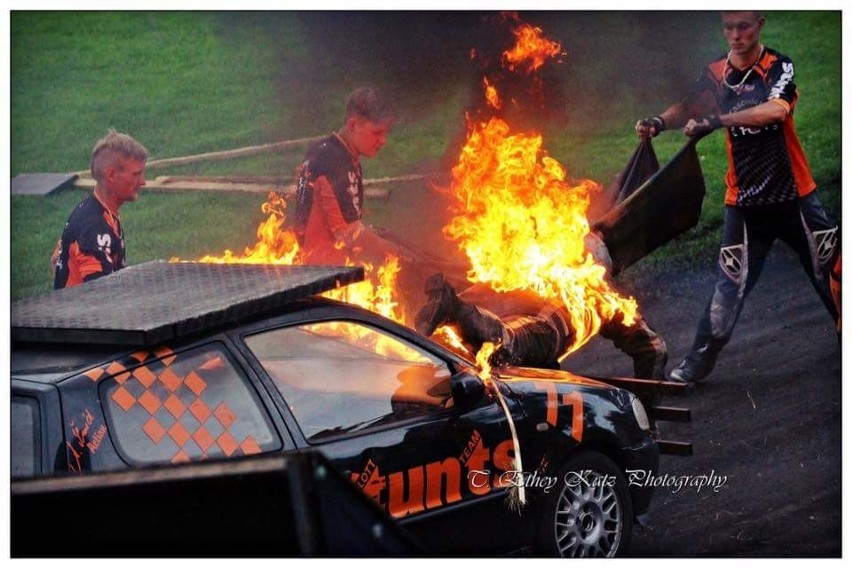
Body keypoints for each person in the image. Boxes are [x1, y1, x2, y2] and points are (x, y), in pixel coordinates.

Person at [635, 11, 839, 383]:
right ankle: (696, 364)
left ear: (760, 23)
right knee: (728, 289)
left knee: (834, 274)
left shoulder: (779, 66)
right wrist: (660, 123)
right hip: (744, 206)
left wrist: (718, 121)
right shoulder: (715, 73)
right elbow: (689, 106)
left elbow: (776, 111)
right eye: (728, 27)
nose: (735, 35)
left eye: (743, 26)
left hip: (795, 198)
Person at [293, 86, 404, 268]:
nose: (383, 140)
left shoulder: (327, 150)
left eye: (385, 134)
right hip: (322, 273)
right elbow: (350, 233)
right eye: (377, 132)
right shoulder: (335, 162)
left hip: (317, 266)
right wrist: (395, 252)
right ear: (353, 125)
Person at [53, 129, 148, 289]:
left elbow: (56, 260)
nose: (143, 182)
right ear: (111, 175)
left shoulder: (101, 212)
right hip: (82, 313)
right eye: (136, 174)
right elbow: (101, 296)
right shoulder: (94, 227)